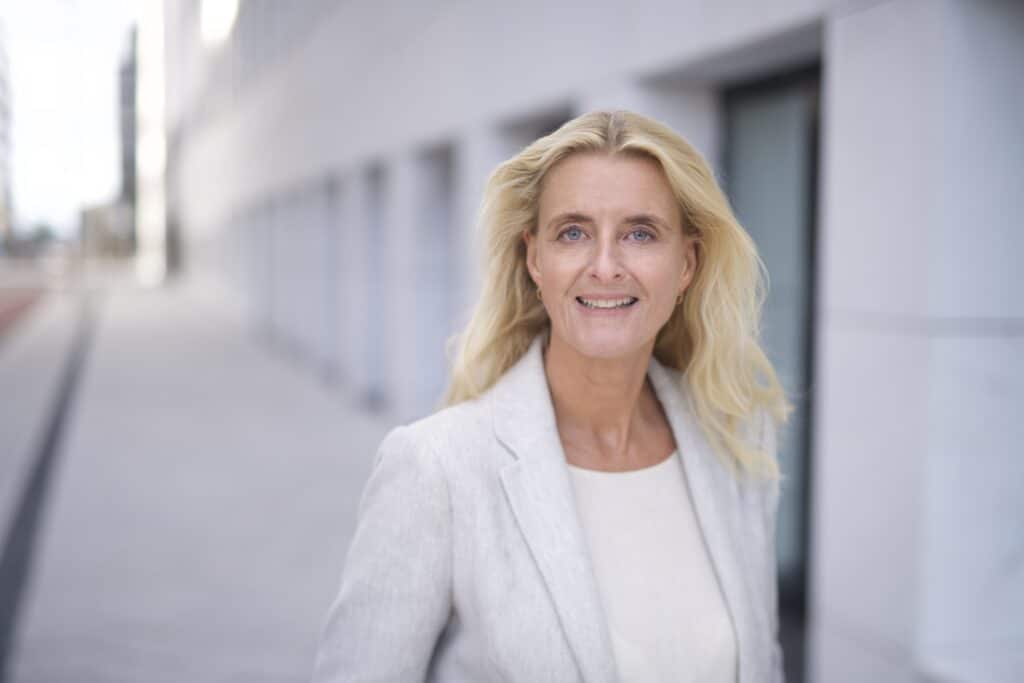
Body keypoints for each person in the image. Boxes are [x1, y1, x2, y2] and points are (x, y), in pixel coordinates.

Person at [311, 110, 790, 682]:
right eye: (573, 233)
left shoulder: (736, 439)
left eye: (640, 233)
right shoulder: (438, 467)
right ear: (535, 258)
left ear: (686, 263)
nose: (605, 267)